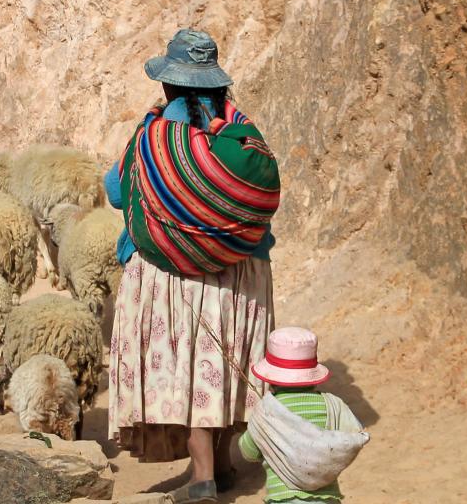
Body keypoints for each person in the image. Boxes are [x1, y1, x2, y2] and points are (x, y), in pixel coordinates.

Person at [106, 28, 279, 504]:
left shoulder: (154, 135)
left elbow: (118, 191)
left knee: (189, 366)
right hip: (243, 272)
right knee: (222, 363)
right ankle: (222, 464)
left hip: (173, 274)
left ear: (169, 86)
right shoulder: (241, 129)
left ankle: (201, 474)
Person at [238, 327, 363, 503]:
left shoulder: (265, 411)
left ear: (270, 376)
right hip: (327, 499)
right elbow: (353, 437)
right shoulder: (333, 404)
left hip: (283, 499)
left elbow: (248, 452)